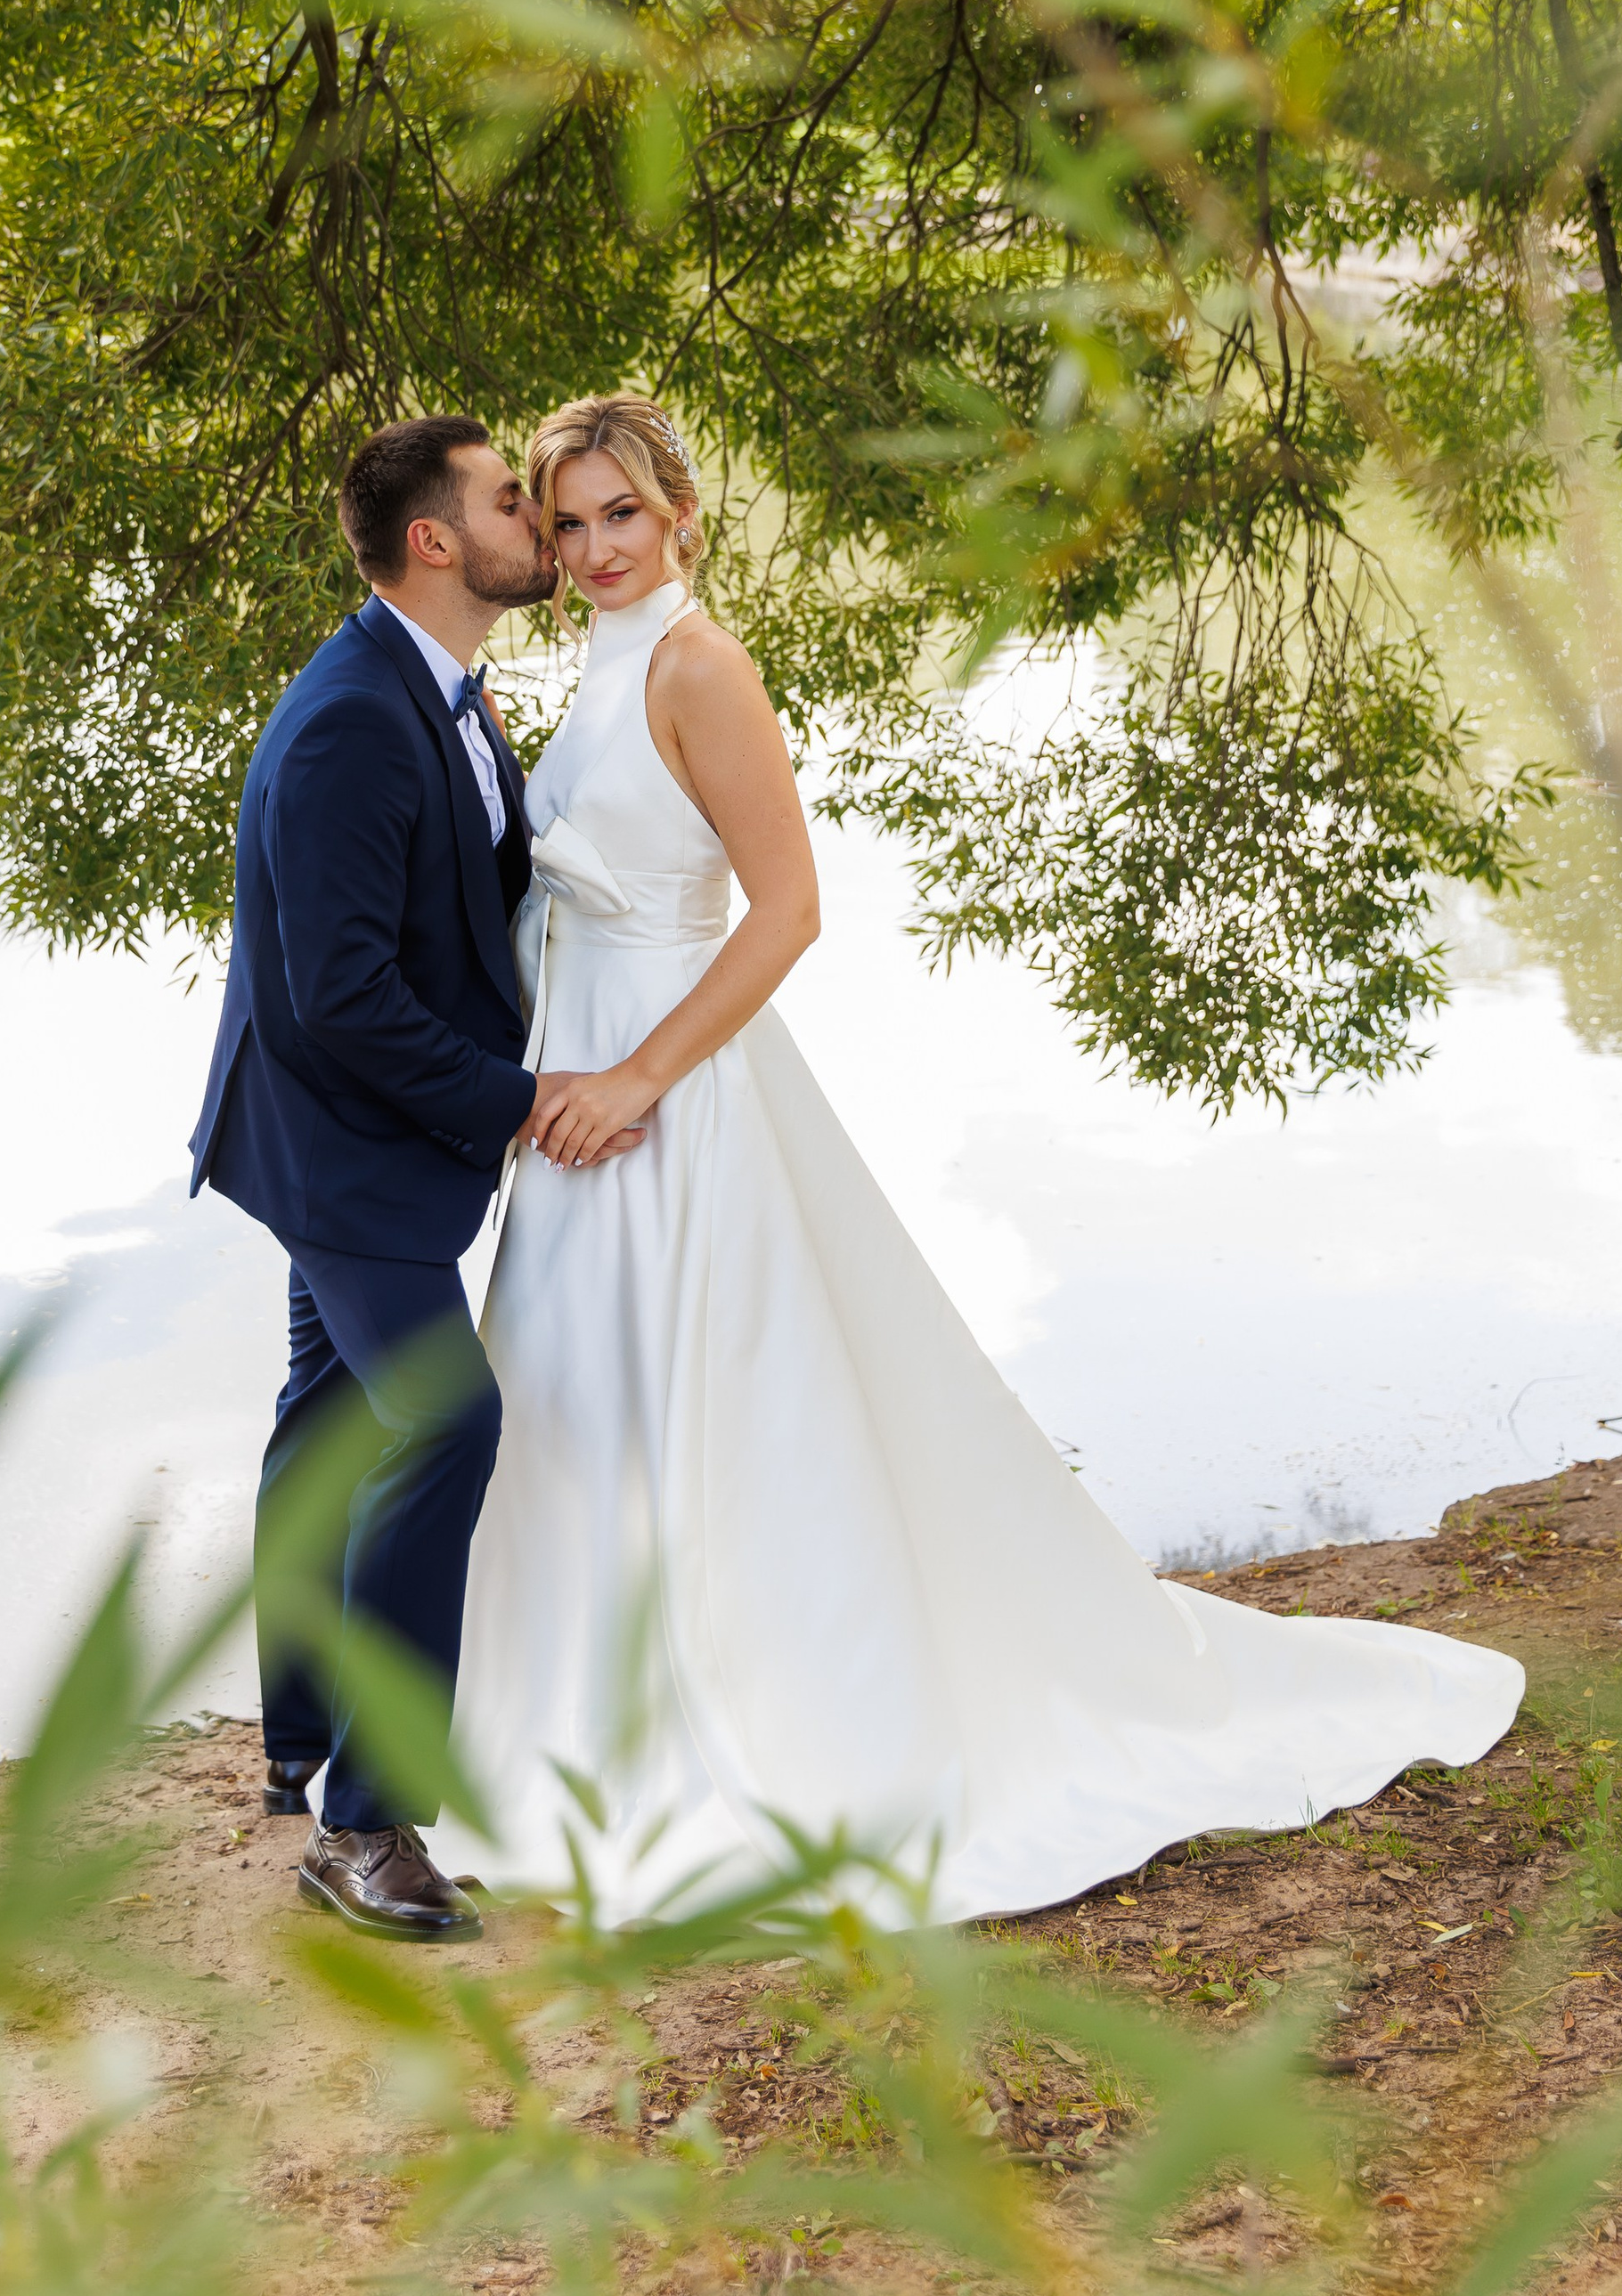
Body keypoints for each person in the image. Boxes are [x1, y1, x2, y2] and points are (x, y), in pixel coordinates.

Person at [438, 393, 1524, 1925]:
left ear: (680, 512)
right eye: (568, 523)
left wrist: (637, 1079)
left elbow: (789, 910)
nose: (597, 546)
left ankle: (752, 1714)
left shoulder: (699, 666)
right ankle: (571, 1709)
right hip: (581, 1086)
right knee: (574, 1394)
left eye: (624, 514)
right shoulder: (602, 670)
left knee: (716, 1391)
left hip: (674, 1085)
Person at [188, 414, 638, 1944]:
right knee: (447, 1421)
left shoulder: (436, 690)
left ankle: (297, 1734)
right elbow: (341, 1000)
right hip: (337, 1144)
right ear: (438, 543)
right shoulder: (351, 725)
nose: (542, 524)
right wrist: (526, 1103)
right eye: (514, 501)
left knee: (330, 1416)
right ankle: (366, 1824)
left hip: (347, 1126)